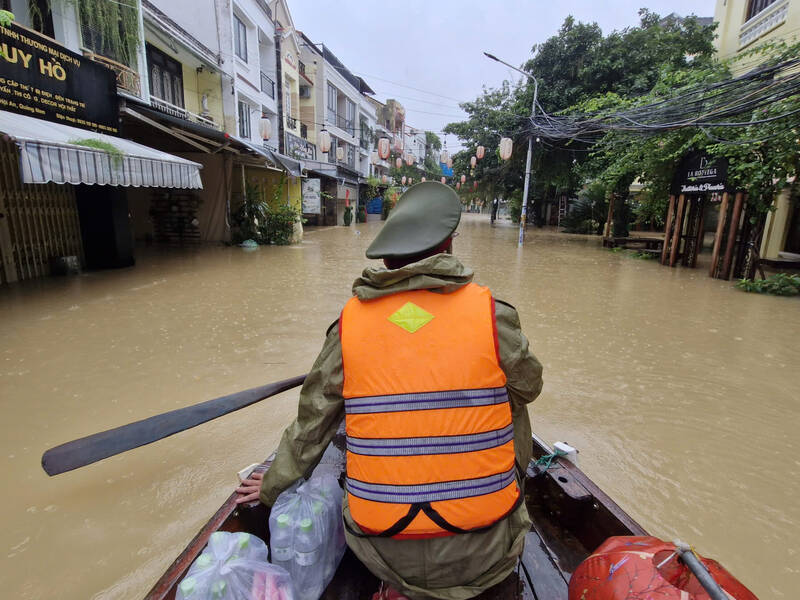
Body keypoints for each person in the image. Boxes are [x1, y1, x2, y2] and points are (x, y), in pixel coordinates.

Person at [236, 182, 544, 600]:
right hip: (486, 549)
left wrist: (272, 484)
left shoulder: (349, 326)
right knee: (512, 399)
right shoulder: (492, 316)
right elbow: (531, 386)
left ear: (385, 259)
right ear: (448, 244)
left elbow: (311, 424)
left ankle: (394, 587)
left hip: (382, 549)